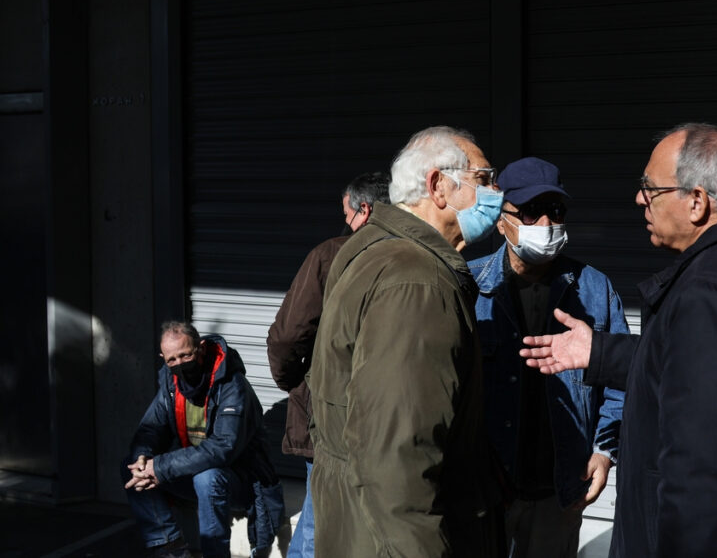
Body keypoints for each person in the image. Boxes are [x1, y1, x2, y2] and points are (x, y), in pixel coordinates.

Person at [522, 123, 717, 557]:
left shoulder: (711, 294)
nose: (639, 199)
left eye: (650, 188)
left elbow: (702, 477)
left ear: (697, 202)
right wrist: (601, 352)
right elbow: (705, 368)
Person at [306, 125, 506, 557]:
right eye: (485, 178)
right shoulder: (419, 281)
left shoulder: (373, 248)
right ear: (437, 186)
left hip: (362, 530)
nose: (498, 192)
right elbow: (397, 457)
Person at [467, 157, 628, 557]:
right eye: (530, 212)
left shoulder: (595, 289)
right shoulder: (467, 286)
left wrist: (605, 452)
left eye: (555, 211)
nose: (545, 225)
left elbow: (619, 383)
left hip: (560, 492)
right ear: (501, 219)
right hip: (485, 490)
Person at [265, 171, 390, 558]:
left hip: (331, 420)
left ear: (363, 210)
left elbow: (287, 336)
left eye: (347, 214)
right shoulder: (418, 255)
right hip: (391, 420)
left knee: (321, 523)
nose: (346, 223)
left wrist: (296, 383)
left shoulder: (330, 255)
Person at [123, 322, 283, 558]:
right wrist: (142, 458)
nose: (179, 364)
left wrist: (161, 466)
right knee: (130, 467)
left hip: (242, 482)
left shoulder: (231, 385)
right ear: (163, 358)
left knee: (208, 478)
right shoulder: (170, 383)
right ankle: (171, 548)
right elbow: (151, 427)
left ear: (200, 349)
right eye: (172, 360)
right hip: (197, 475)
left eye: (185, 355)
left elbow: (223, 448)